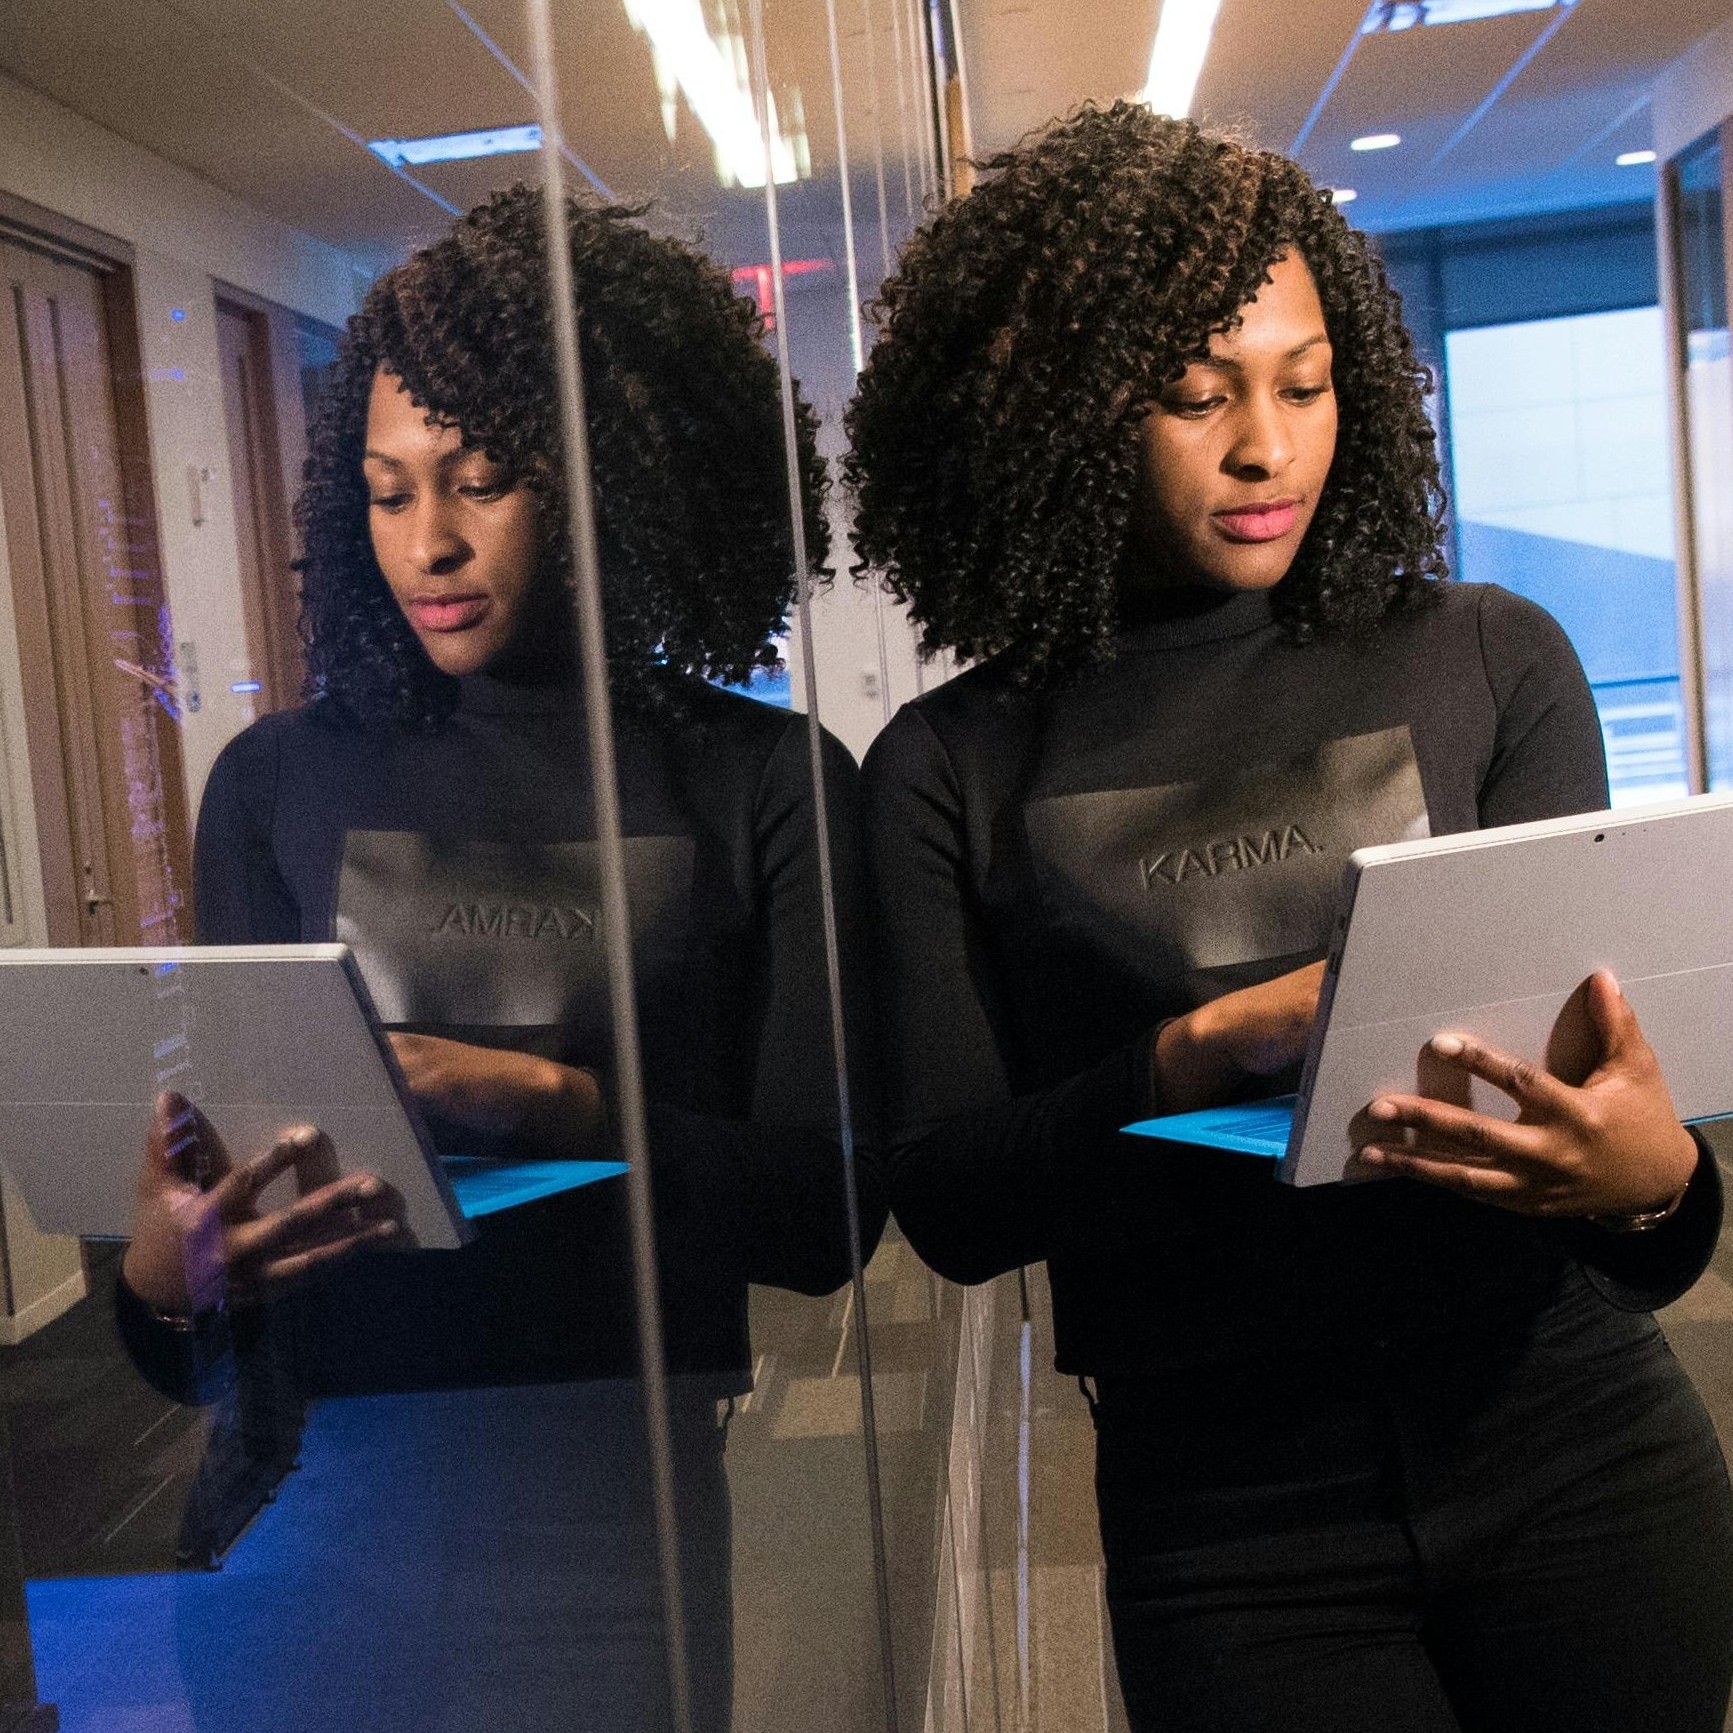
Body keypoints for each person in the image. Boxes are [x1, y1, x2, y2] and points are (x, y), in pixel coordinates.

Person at [845, 102, 1733, 1733]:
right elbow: (953, 1199)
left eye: (1304, 382)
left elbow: (1609, 1112)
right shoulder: (945, 767)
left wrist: (1657, 1183)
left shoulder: (1488, 656)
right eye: (1195, 395)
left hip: (1567, 1434)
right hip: (1227, 1510)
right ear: (1062, 417)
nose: (1268, 446)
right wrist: (1192, 1054)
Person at [98, 183, 879, 1733]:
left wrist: (550, 1100)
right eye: (388, 492)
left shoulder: (761, 781)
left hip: (611, 1515)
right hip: (306, 1495)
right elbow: (204, 1289)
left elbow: (821, 1214)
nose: (429, 542)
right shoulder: (276, 782)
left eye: (480, 480)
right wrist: (155, 1274)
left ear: (607, 485)